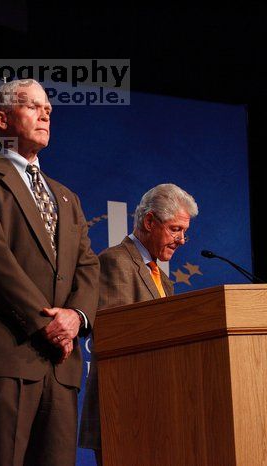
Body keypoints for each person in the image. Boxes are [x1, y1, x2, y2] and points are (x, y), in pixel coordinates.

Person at [0, 79, 99, 465]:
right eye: (32, 106)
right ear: (2, 119)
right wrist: (44, 321)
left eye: (47, 108)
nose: (45, 113)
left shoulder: (67, 197)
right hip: (5, 351)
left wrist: (75, 318)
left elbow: (88, 266)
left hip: (61, 362)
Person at [78, 183, 198, 465]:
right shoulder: (116, 261)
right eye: (175, 229)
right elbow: (116, 337)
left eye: (185, 232)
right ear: (148, 221)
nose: (181, 240)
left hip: (157, 408)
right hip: (124, 410)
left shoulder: (164, 280)